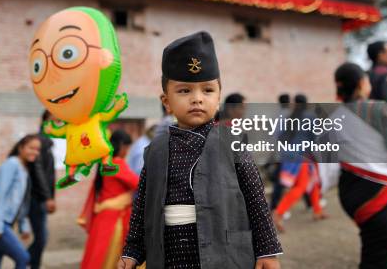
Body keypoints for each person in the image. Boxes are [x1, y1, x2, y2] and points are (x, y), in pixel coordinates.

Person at [119, 31, 282, 269]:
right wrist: (132, 251)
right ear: (166, 102)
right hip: (170, 256)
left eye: (207, 90)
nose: (197, 99)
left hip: (224, 255)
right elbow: (143, 206)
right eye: (184, 91)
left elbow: (256, 199)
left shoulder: (232, 142)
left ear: (218, 98)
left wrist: (267, 250)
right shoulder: (155, 151)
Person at [333, 62, 387, 268]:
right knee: (383, 253)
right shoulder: (379, 109)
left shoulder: (334, 117)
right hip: (377, 193)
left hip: (350, 195)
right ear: (361, 83)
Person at [79, 130, 139, 269]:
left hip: (103, 217)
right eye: (127, 148)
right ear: (122, 146)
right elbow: (138, 183)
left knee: (97, 256)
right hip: (114, 219)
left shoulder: (105, 162)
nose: (127, 152)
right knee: (109, 257)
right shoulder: (116, 163)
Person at [0, 134, 40, 269]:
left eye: (37, 149)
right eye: (31, 148)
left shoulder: (24, 169)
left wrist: (23, 225)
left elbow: (21, 202)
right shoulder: (12, 164)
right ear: (20, 148)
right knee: (23, 257)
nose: (35, 152)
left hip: (6, 222)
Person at [272, 94, 325, 232]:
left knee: (311, 180)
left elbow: (280, 136)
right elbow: (316, 137)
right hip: (301, 155)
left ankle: (317, 210)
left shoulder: (290, 116)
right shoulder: (310, 116)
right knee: (301, 186)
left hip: (289, 154)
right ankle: (278, 213)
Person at [28, 111, 57, 269]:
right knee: (41, 237)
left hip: (41, 197)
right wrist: (48, 197)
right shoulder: (40, 140)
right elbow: (38, 171)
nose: (59, 122)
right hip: (36, 197)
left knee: (42, 237)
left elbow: (49, 174)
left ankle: (30, 261)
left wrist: (50, 197)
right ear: (46, 120)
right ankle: (28, 260)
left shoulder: (48, 141)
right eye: (55, 119)